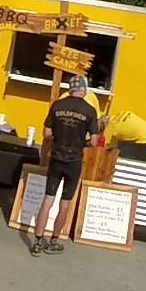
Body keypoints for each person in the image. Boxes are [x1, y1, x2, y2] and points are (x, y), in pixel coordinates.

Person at [32, 75, 99, 256]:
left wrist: (57, 139)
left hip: (56, 157)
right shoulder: (90, 110)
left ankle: (37, 241)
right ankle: (54, 240)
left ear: (70, 89)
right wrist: (80, 145)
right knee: (65, 202)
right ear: (83, 90)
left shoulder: (57, 105)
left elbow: (46, 133)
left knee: (48, 199)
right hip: (74, 160)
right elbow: (94, 141)